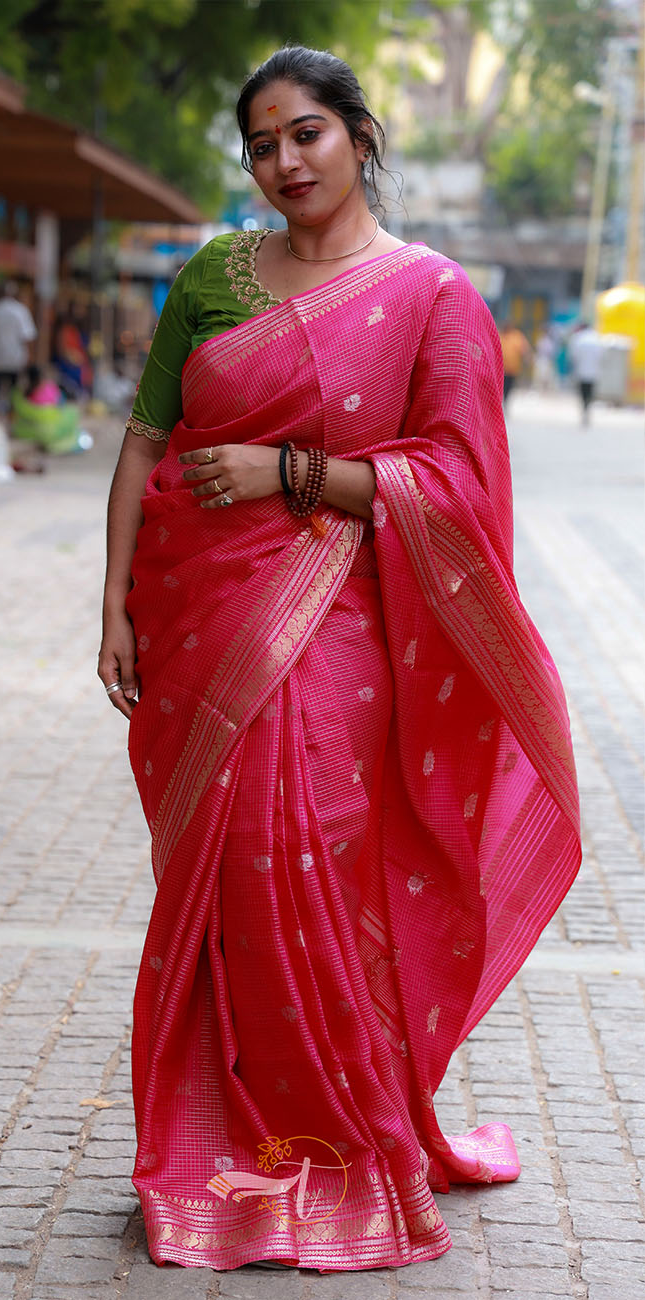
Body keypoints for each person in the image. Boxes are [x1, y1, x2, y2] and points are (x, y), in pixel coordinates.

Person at [98, 46, 581, 1273]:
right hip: (198, 612)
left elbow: (459, 489)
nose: (282, 163)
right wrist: (113, 603)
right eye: (261, 145)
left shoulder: (429, 297)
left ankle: (341, 1134)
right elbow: (147, 435)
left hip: (342, 624)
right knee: (214, 876)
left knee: (303, 851)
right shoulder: (211, 276)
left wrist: (288, 471)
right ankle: (221, 1137)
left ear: (360, 136)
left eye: (304, 134)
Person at [0, 281, 37, 414]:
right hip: (15, 357)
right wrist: (29, 356)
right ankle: (11, 415)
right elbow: (27, 336)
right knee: (13, 389)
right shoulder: (20, 310)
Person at [567, 322, 602, 426]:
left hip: (581, 371)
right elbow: (601, 355)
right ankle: (587, 407)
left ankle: (584, 408)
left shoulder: (578, 339)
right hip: (593, 371)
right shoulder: (596, 338)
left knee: (582, 392)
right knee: (590, 392)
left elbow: (573, 355)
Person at [498, 319, 531, 406]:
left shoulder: (516, 336)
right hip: (500, 369)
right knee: (501, 386)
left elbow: (524, 349)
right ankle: (501, 401)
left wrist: (527, 358)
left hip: (513, 369)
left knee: (509, 386)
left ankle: (505, 401)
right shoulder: (498, 335)